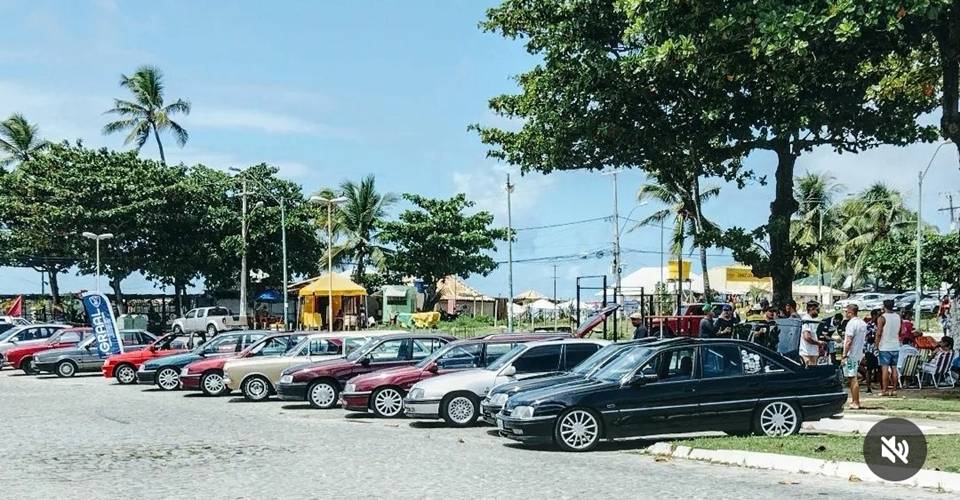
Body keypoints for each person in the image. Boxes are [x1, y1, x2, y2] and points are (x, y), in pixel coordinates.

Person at [841, 304, 868, 409]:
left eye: (846, 312)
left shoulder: (851, 324)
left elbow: (848, 340)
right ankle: (854, 400)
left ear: (850, 312)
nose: (846, 314)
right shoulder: (862, 323)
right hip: (858, 352)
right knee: (852, 376)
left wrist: (844, 355)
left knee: (852, 377)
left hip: (851, 354)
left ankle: (855, 401)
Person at [875, 299, 902, 396]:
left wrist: (876, 344)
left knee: (885, 369)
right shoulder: (898, 317)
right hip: (895, 345)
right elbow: (900, 331)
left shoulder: (882, 318)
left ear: (884, 306)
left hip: (885, 346)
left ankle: (884, 390)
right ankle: (894, 389)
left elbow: (879, 333)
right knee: (894, 368)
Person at [799, 300, 824, 366]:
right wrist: (818, 343)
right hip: (807, 354)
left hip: (812, 353)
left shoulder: (810, 320)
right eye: (817, 309)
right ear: (811, 309)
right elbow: (807, 337)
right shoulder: (806, 320)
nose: (818, 312)